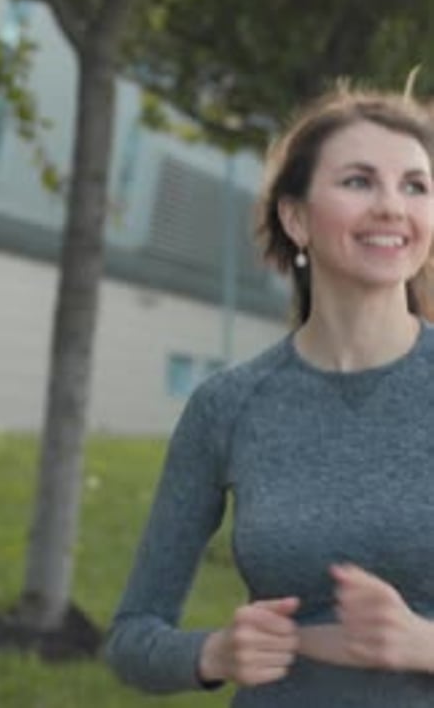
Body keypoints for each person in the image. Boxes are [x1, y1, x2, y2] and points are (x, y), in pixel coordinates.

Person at [104, 87, 434, 706]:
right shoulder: (227, 406)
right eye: (360, 182)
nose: (393, 206)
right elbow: (132, 637)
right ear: (295, 217)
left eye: (415, 186)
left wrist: (423, 643)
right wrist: (213, 653)